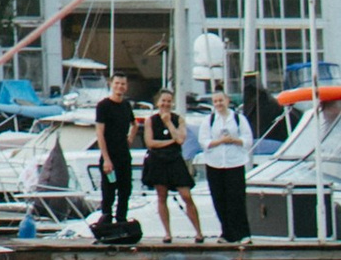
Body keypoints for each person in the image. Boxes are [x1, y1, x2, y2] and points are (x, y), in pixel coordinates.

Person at [142, 87, 202, 243]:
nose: (166, 104)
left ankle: (198, 232)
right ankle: (167, 233)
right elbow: (150, 142)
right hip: (158, 160)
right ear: (157, 102)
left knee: (186, 196)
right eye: (163, 101)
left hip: (175, 159)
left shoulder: (178, 119)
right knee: (162, 196)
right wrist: (170, 141)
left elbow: (181, 139)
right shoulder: (151, 121)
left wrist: (168, 123)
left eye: (169, 101)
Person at [199, 89, 255, 245]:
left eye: (221, 100)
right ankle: (227, 233)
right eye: (215, 101)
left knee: (236, 198)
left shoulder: (238, 119)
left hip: (234, 163)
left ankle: (243, 233)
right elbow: (204, 141)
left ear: (227, 101)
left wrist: (233, 140)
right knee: (219, 199)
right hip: (215, 164)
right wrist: (220, 141)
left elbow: (248, 139)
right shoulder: (209, 120)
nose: (218, 104)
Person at [90, 76, 140, 244]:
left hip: (124, 155)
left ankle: (121, 223)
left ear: (126, 87)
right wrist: (106, 159)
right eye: (117, 83)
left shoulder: (126, 105)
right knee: (109, 192)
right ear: (111, 85)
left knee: (125, 190)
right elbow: (100, 133)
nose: (120, 86)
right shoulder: (103, 106)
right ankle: (106, 225)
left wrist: (130, 139)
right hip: (109, 155)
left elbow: (135, 124)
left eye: (123, 84)